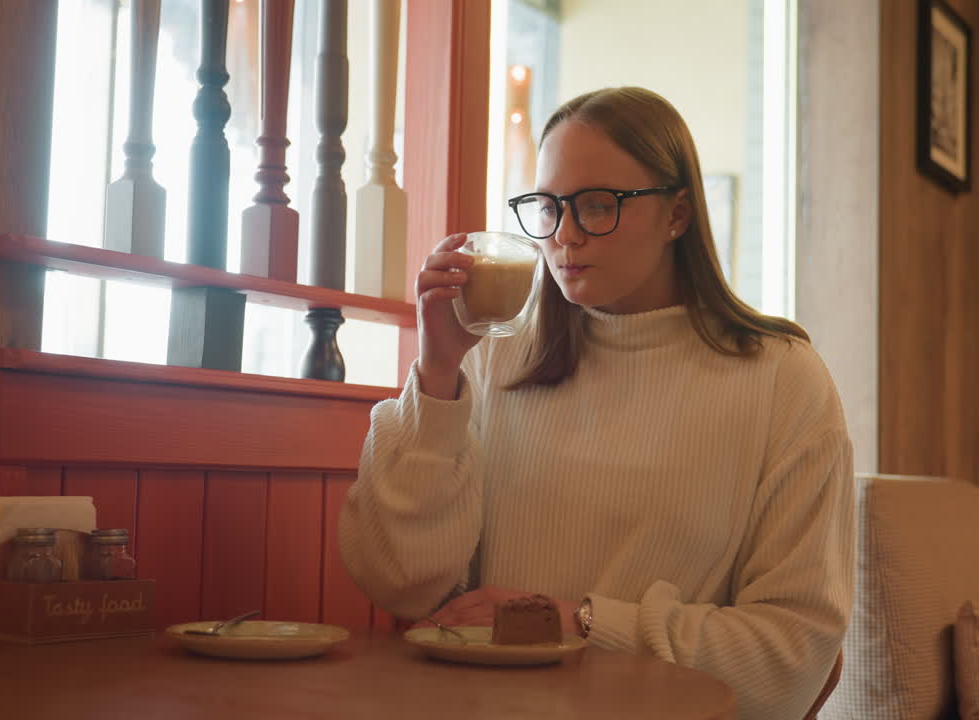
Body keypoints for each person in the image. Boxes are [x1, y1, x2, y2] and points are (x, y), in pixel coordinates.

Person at [338, 86, 854, 720]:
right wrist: (438, 369)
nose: (566, 236)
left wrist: (576, 623)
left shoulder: (782, 380)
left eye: (598, 205)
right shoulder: (495, 359)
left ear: (679, 214)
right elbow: (400, 582)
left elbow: (791, 656)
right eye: (549, 207)